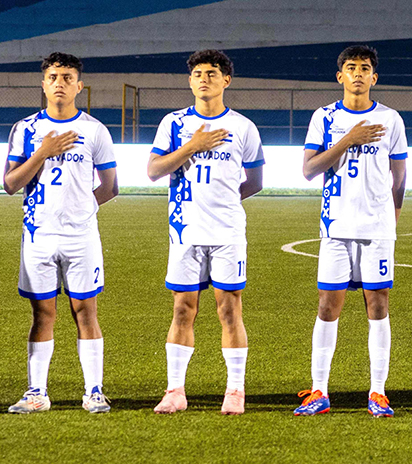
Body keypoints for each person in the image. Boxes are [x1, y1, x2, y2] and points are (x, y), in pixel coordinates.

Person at [146, 49, 266, 415]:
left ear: (226, 80)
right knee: (183, 309)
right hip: (185, 233)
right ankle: (175, 391)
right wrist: (192, 146)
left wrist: (224, 203)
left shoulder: (243, 127)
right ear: (189, 81)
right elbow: (154, 170)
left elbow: (256, 181)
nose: (204, 79)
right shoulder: (174, 123)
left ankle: (234, 391)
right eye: (197, 73)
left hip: (228, 233)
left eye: (212, 73)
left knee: (229, 309)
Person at [1, 52, 119, 414]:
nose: (60, 83)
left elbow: (111, 186)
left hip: (81, 237)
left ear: (79, 86)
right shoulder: (25, 129)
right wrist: (42, 154)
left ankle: (94, 391)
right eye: (53, 77)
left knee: (86, 311)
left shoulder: (94, 130)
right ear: (43, 84)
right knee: (42, 314)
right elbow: (9, 183)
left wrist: (81, 210)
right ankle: (37, 392)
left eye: (68, 77)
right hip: (38, 235)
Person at [296, 45, 409, 418]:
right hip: (336, 228)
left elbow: (400, 176)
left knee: (378, 306)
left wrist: (390, 217)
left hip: (377, 230)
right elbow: (309, 169)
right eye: (350, 67)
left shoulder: (391, 118)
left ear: (374, 78)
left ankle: (378, 391)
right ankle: (319, 391)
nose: (358, 74)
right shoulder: (324, 118)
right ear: (339, 76)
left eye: (365, 68)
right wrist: (348, 140)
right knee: (328, 306)